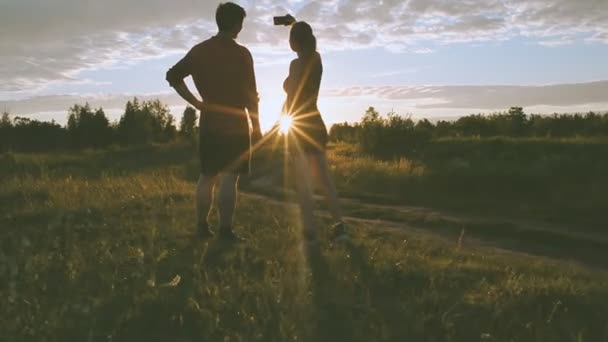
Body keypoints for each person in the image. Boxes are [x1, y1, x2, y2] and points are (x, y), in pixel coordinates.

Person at [165, 2, 262, 241]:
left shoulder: (199, 51)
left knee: (207, 175)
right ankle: (225, 231)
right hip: (236, 122)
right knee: (230, 177)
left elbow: (172, 76)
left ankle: (201, 227)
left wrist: (197, 103)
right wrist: (257, 127)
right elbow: (251, 95)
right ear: (237, 24)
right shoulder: (242, 54)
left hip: (209, 121)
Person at [282, 21, 348, 243]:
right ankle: (340, 225)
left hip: (299, 126)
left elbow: (291, 94)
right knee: (324, 179)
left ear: (294, 42)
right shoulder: (316, 59)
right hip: (314, 122)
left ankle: (309, 230)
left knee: (303, 181)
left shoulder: (294, 65)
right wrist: (296, 25)